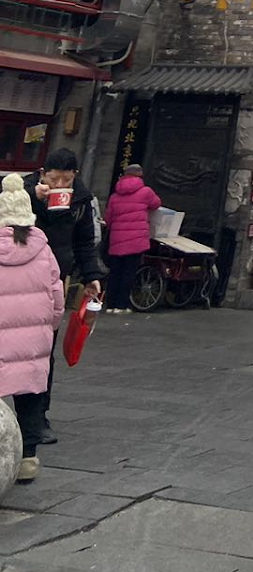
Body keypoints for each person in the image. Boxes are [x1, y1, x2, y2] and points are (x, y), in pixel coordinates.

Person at [23, 148, 103, 445]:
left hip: (56, 281)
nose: (59, 186)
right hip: (20, 277)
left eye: (65, 180)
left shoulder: (82, 200)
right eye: (53, 179)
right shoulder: (23, 189)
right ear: (42, 173)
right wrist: (33, 195)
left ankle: (37, 416)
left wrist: (92, 275)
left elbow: (85, 242)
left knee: (44, 350)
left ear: (75, 177)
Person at [0, 173, 65, 485]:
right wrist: (49, 328)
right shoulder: (44, 249)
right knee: (30, 397)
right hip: (35, 339)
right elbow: (57, 297)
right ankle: (27, 460)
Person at [102, 164, 161, 314]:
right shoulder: (145, 192)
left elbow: (108, 219)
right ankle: (122, 305)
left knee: (115, 272)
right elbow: (156, 204)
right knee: (129, 273)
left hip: (117, 240)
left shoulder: (115, 196)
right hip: (136, 240)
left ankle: (110, 305)